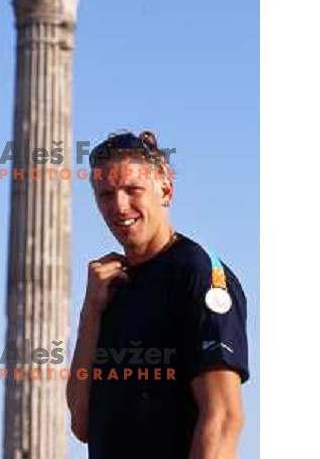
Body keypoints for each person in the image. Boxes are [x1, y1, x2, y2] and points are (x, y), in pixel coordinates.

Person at [66, 130, 249, 458]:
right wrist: (89, 313)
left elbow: (223, 418)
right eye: (106, 194)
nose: (119, 207)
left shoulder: (197, 274)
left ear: (165, 190)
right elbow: (81, 423)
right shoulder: (112, 288)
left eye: (132, 190)